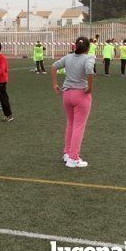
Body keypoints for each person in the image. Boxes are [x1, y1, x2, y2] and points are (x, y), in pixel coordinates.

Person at [51, 37, 95, 168]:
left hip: (67, 94)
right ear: (88, 48)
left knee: (71, 124)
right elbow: (89, 70)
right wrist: (90, 87)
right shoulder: (89, 58)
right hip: (81, 95)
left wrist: (54, 85)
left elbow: (54, 66)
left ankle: (67, 153)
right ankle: (73, 158)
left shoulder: (68, 57)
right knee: (78, 127)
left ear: (75, 46)